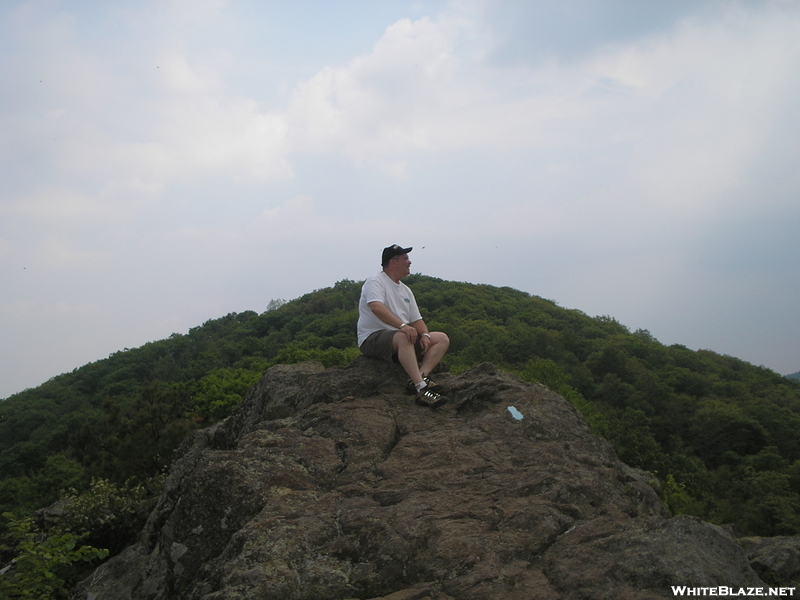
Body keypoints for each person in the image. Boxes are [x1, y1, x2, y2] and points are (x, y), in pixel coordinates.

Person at [357, 244, 450, 407]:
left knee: (441, 338)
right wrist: (403, 326)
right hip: (372, 338)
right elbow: (376, 307)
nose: (409, 262)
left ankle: (422, 376)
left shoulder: (406, 290)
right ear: (393, 263)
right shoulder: (375, 280)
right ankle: (421, 389)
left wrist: (426, 336)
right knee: (405, 335)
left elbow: (417, 320)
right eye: (405, 258)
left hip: (399, 339)